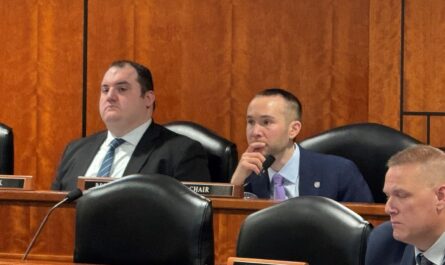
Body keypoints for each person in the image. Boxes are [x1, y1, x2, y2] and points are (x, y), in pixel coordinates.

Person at [52, 60, 210, 190]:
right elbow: (52, 214)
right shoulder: (75, 151)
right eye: (105, 89)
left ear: (148, 99)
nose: (110, 97)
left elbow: (189, 220)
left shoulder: (180, 153)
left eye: (121, 89)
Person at [230, 88, 373, 202]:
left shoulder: (339, 173)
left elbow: (366, 229)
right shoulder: (246, 176)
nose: (255, 132)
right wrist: (235, 186)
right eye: (250, 122)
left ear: (293, 129)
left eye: (266, 122)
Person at [370, 144, 445, 265]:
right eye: (387, 196)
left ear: (440, 197)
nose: (388, 209)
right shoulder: (383, 243)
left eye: (401, 195)